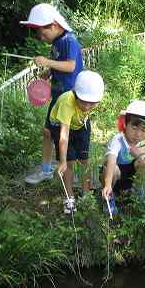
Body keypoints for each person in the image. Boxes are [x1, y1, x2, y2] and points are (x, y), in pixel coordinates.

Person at [20, 3, 84, 185]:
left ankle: (73, 173)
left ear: (54, 25)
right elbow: (59, 65)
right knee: (48, 132)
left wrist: (47, 62)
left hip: (69, 99)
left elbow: (71, 66)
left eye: (42, 32)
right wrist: (48, 73)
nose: (41, 37)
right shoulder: (56, 42)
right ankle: (46, 170)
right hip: (57, 97)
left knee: (68, 137)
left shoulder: (69, 40)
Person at [49, 70, 105, 214]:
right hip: (60, 126)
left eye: (91, 104)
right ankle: (69, 197)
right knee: (69, 162)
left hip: (80, 124)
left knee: (84, 159)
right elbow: (64, 136)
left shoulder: (90, 98)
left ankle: (86, 194)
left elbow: (86, 107)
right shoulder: (67, 102)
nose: (87, 107)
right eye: (83, 102)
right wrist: (61, 160)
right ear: (75, 93)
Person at [100, 100, 145, 214]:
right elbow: (111, 159)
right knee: (113, 169)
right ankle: (109, 197)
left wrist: (140, 153)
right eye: (134, 128)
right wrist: (107, 184)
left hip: (131, 177)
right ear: (125, 124)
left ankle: (137, 191)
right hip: (114, 176)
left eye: (143, 130)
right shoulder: (118, 140)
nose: (138, 134)